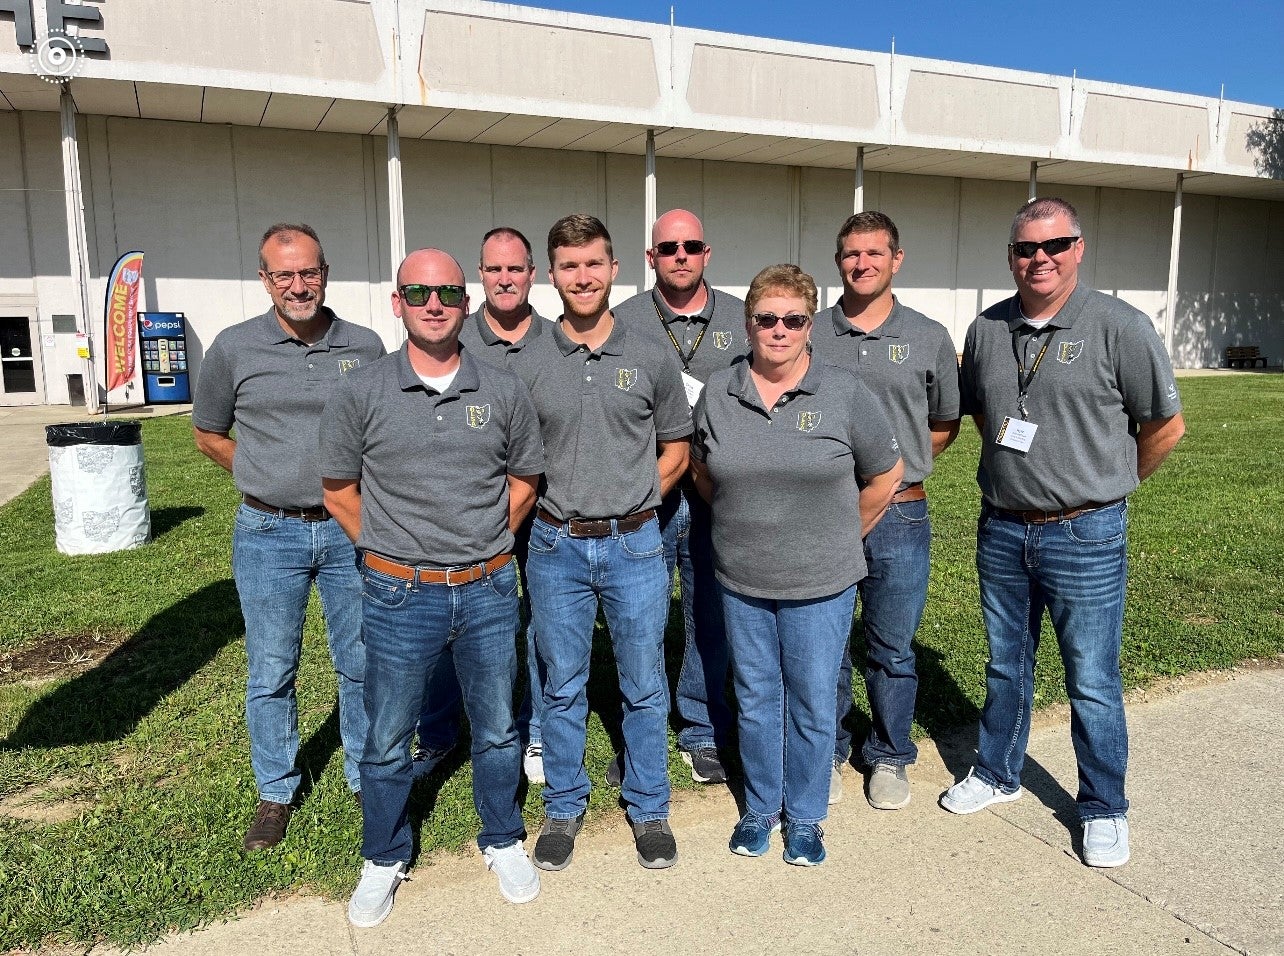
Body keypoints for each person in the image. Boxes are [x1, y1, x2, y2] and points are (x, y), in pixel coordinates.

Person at [944, 197, 1185, 869]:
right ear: (1011, 257)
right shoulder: (989, 330)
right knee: (1004, 665)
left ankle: (1104, 805)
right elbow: (966, 412)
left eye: (1055, 245)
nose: (1040, 258)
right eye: (1026, 249)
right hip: (1002, 530)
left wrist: (1111, 485)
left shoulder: (1119, 325)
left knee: (1093, 678)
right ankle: (996, 772)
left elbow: (1164, 426)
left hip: (1086, 533)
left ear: (1078, 248)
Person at [320, 249, 545, 925]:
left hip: (487, 588)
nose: (434, 302)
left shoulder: (503, 390)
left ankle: (502, 838)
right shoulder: (361, 390)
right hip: (397, 594)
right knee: (389, 735)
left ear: (466, 302)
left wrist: (480, 547)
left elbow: (525, 479)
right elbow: (338, 490)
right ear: (398, 302)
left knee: (499, 729)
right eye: (418, 291)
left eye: (447, 291)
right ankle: (383, 855)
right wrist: (396, 553)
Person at [691, 264, 903, 866]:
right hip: (742, 577)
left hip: (822, 580)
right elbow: (705, 474)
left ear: (811, 325)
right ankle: (761, 807)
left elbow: (886, 473)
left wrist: (841, 533)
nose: (778, 330)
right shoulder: (718, 391)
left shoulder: (844, 392)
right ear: (748, 323)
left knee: (810, 698)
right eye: (766, 319)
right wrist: (744, 518)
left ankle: (806, 816)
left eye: (793, 320)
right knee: (756, 695)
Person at [192, 223, 385, 852]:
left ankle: (364, 775)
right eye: (284, 275)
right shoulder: (233, 348)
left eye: (309, 272)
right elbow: (209, 433)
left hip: (346, 529)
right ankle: (276, 790)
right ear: (265, 280)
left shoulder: (365, 344)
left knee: (359, 660)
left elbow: (383, 429)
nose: (298, 286)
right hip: (267, 532)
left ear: (325, 272)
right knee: (271, 667)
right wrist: (259, 473)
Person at [511, 214, 692, 872]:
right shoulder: (531, 359)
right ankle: (563, 803)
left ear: (615, 270)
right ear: (550, 275)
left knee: (643, 685)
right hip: (556, 547)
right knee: (561, 685)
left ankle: (649, 806)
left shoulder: (648, 352)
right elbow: (513, 459)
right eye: (568, 266)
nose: (581, 277)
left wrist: (646, 495)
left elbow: (677, 443)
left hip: (637, 545)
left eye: (593, 264)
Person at [809, 211, 961, 809]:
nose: (861, 263)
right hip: (823, 510)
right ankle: (829, 750)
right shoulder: (811, 330)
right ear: (838, 260)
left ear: (897, 259)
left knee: (891, 645)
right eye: (851, 253)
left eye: (875, 253)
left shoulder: (927, 336)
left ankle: (891, 753)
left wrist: (896, 466)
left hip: (900, 514)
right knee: (825, 643)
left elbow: (943, 423)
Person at [411, 226, 551, 785]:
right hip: (463, 520)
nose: (505, 279)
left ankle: (534, 729)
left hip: (542, 509)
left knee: (541, 626)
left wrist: (511, 518)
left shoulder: (557, 337)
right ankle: (440, 733)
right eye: (493, 269)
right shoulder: (453, 334)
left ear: (531, 274)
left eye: (515, 268)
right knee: (445, 626)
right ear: (480, 276)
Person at [611, 209, 744, 785]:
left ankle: (700, 726)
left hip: (718, 491)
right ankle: (639, 733)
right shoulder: (623, 321)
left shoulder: (742, 318)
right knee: (638, 618)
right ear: (651, 258)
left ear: (707, 252)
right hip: (650, 491)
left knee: (709, 613)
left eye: (691, 245)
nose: (681, 256)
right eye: (668, 249)